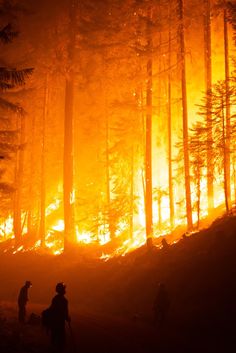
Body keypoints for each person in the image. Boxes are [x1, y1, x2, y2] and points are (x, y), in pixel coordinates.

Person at [50, 282, 70, 352]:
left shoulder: (55, 299)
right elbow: (64, 312)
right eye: (64, 289)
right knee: (60, 338)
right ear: (62, 290)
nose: (65, 290)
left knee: (55, 338)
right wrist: (67, 317)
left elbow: (51, 310)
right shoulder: (64, 300)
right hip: (59, 322)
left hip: (55, 322)